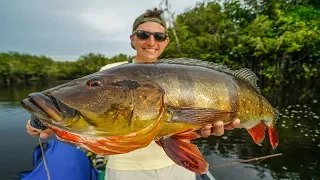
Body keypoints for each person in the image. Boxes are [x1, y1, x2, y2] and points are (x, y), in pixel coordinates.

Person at [26, 8, 240, 180]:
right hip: (126, 170)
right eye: (143, 35)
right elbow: (89, 108)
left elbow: (192, 125)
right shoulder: (111, 71)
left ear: (166, 41)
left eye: (159, 36)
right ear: (132, 39)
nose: (151, 41)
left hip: (177, 167)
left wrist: (202, 128)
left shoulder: (184, 74)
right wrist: (43, 120)